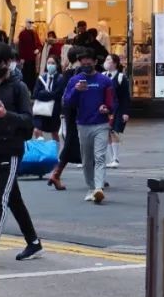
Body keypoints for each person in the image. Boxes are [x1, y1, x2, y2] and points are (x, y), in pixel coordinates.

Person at [0, 43, 44, 260]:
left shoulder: (18, 88)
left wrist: (6, 115)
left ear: (6, 63)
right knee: (13, 197)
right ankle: (33, 242)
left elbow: (28, 120)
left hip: (10, 149)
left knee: (0, 199)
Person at [62, 48, 114, 204]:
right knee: (86, 159)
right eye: (83, 63)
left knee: (99, 156)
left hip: (101, 124)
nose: (85, 65)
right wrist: (76, 91)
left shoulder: (105, 81)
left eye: (88, 63)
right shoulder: (74, 81)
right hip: (83, 124)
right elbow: (67, 102)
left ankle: (98, 188)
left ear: (95, 62)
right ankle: (91, 187)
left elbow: (112, 101)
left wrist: (108, 108)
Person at [48, 47, 83, 191]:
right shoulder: (79, 73)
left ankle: (97, 175)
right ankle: (56, 173)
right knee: (75, 143)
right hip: (78, 113)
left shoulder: (67, 73)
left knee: (77, 143)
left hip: (69, 112)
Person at [104, 54, 131, 168]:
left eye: (109, 60)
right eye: (106, 59)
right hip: (106, 109)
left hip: (117, 109)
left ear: (115, 63)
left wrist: (125, 112)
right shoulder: (103, 76)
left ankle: (116, 158)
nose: (106, 62)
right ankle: (111, 159)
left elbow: (125, 96)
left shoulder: (121, 77)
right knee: (107, 133)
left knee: (114, 131)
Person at [33, 55, 66, 144]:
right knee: (37, 130)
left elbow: (58, 94)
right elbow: (35, 94)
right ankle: (42, 150)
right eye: (48, 63)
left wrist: (43, 94)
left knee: (54, 133)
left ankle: (55, 153)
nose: (50, 65)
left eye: (53, 63)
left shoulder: (60, 78)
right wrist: (48, 94)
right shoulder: (41, 77)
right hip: (40, 109)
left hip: (54, 110)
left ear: (57, 65)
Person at [17, 19, 42, 89]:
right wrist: (21, 58)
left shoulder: (34, 33)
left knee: (32, 75)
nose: (31, 24)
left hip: (33, 59)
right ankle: (26, 90)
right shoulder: (22, 34)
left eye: (32, 22)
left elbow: (39, 44)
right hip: (25, 58)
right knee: (26, 75)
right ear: (26, 23)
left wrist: (38, 50)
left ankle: (32, 90)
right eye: (29, 22)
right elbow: (20, 46)